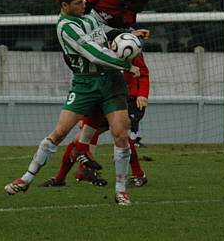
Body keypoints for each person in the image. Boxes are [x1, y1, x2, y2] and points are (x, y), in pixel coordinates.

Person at [4, 0, 148, 206]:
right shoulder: (66, 27)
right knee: (60, 132)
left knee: (121, 134)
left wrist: (130, 34)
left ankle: (121, 190)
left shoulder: (88, 17)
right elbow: (93, 53)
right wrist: (126, 65)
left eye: (83, 0)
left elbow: (104, 31)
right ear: (65, 6)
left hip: (111, 83)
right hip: (85, 85)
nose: (84, 5)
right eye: (79, 2)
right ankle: (26, 178)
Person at [39, 50, 150, 188]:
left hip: (126, 100)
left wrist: (142, 94)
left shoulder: (126, 44)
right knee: (80, 139)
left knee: (122, 136)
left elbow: (143, 72)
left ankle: (138, 175)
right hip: (101, 97)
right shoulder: (92, 48)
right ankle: (62, 177)